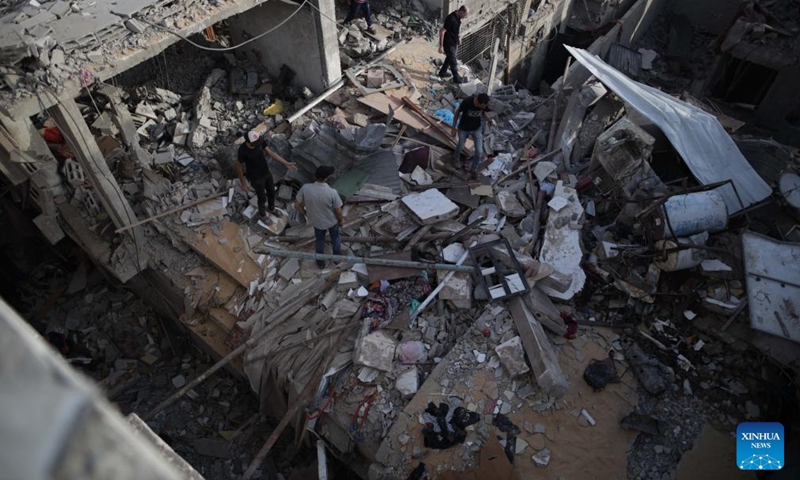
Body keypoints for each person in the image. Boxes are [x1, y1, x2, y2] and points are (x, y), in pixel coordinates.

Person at [235, 130, 297, 222]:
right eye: (256, 143)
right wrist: (243, 183)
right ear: (249, 142)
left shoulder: (259, 142)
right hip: (255, 177)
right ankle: (262, 215)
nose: (259, 144)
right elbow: (238, 167)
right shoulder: (243, 150)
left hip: (266, 172)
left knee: (272, 192)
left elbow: (271, 152)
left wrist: (286, 163)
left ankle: (271, 209)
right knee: (262, 197)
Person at [295, 166, 344, 269]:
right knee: (335, 238)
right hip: (331, 221)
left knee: (319, 240)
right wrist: (341, 220)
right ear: (327, 178)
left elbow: (297, 205)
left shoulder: (305, 188)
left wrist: (305, 213)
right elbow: (338, 211)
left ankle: (320, 262)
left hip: (316, 221)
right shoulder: (332, 192)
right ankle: (337, 258)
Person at [452, 93, 495, 174]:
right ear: (479, 103)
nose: (486, 107)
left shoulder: (483, 105)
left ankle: (474, 169)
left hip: (476, 129)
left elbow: (483, 113)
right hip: (463, 129)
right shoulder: (467, 102)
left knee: (479, 151)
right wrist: (453, 128)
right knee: (460, 145)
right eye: (484, 106)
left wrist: (490, 121)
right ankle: (455, 158)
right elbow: (457, 112)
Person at [438, 6, 470, 83]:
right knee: (453, 61)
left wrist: (458, 37)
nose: (465, 17)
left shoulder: (458, 17)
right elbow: (442, 31)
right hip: (448, 43)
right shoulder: (451, 18)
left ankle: (442, 72)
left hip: (454, 42)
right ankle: (456, 79)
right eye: (464, 15)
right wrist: (441, 46)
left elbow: (455, 29)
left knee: (449, 58)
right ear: (461, 12)